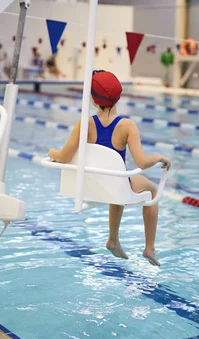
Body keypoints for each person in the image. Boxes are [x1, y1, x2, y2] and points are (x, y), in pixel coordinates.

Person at [48, 70, 171, 266]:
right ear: (119, 97)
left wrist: (52, 151)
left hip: (92, 186)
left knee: (117, 181)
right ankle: (149, 248)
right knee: (151, 190)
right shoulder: (127, 126)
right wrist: (158, 157)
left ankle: (114, 239)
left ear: (92, 98)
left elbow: (63, 157)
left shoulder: (85, 123)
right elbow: (142, 163)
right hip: (116, 184)